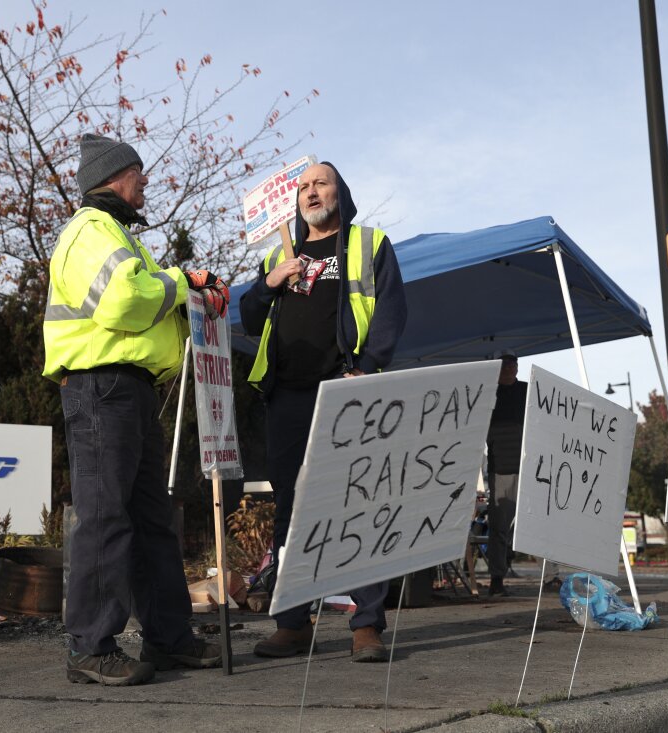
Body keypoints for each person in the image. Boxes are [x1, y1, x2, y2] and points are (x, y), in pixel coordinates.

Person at [43, 134, 227, 686]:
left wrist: (190, 295)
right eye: (139, 172)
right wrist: (181, 280)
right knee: (106, 518)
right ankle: (89, 648)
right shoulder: (90, 231)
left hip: (125, 390)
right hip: (103, 388)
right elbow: (124, 301)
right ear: (115, 175)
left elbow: (142, 299)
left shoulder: (113, 234)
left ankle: (169, 639)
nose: (146, 181)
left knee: (149, 521)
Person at [239, 161, 407, 662]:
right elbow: (248, 317)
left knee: (359, 502)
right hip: (287, 397)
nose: (311, 192)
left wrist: (370, 366)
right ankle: (292, 622)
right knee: (292, 511)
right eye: (304, 186)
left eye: (321, 183)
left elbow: (393, 311)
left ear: (341, 192)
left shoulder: (367, 244)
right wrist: (271, 281)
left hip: (345, 390)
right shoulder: (279, 252)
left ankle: (366, 625)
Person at [484, 351, 562, 595]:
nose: (509, 368)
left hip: (533, 468)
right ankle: (497, 579)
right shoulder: (487, 393)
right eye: (505, 364)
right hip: (502, 469)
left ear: (517, 367)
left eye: (513, 363)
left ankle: (551, 576)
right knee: (499, 527)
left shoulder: (530, 391)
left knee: (541, 524)